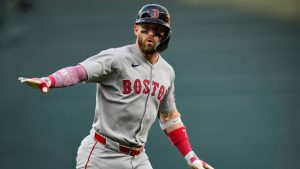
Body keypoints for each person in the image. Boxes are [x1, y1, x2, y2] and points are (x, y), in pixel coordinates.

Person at [19, 4, 214, 169]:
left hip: (138, 158)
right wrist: (50, 80)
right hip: (102, 154)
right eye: (145, 28)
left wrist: (191, 158)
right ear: (135, 29)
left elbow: (169, 117)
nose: (150, 34)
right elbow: (79, 72)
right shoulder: (116, 58)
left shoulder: (167, 71)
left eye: (157, 31)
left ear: (165, 36)